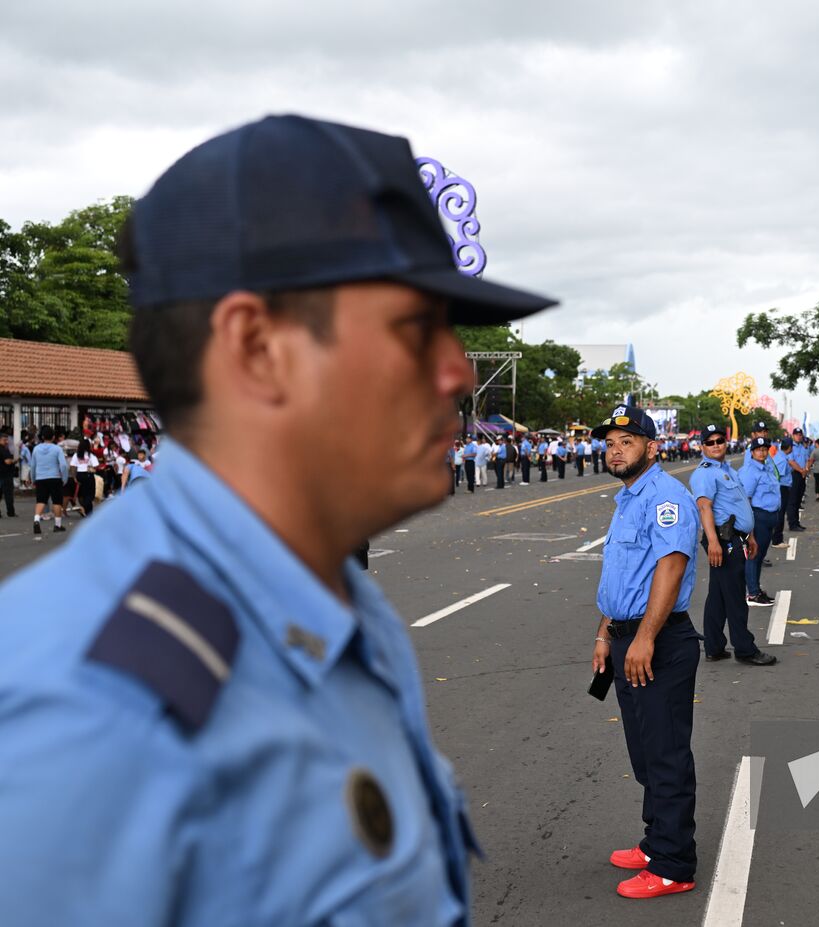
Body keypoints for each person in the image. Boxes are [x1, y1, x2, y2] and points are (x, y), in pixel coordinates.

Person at [0, 115, 557, 922]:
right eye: (415, 328)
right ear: (257, 347)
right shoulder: (87, 720)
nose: (458, 373)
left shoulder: (338, 603)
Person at [590, 404, 703, 899]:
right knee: (643, 751)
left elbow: (671, 568)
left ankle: (673, 866)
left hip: (657, 641)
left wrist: (645, 637)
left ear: (652, 447)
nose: (616, 450)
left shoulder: (665, 497)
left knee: (665, 755)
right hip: (626, 638)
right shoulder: (627, 499)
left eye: (627, 442)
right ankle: (656, 841)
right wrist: (604, 634)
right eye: (610, 443)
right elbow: (620, 580)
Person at [689, 424, 775, 666]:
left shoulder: (727, 469)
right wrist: (714, 542)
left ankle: (714, 646)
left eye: (720, 440)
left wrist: (750, 536)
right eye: (710, 442)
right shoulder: (705, 472)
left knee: (718, 595)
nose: (716, 445)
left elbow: (738, 506)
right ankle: (745, 649)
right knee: (736, 596)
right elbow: (705, 507)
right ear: (702, 446)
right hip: (723, 539)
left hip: (735, 536)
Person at [739, 437, 782, 607]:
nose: (762, 452)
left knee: (760, 554)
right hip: (759, 516)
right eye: (759, 449)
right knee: (753, 555)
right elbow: (745, 498)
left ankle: (755, 588)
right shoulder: (750, 471)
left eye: (765, 449)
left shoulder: (766, 468)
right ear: (752, 452)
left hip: (770, 516)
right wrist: (748, 524)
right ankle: (753, 593)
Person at [29, 426, 69, 535]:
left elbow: (33, 465)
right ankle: (57, 525)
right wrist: (64, 478)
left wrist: (33, 479)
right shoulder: (57, 449)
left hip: (40, 478)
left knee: (41, 501)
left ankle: (36, 520)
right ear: (53, 437)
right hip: (55, 478)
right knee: (57, 501)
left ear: (42, 437)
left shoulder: (36, 449)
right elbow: (64, 465)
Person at [785, 428, 809, 532]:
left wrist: (806, 469)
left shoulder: (803, 447)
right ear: (793, 435)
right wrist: (801, 470)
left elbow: (807, 459)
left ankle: (797, 522)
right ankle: (792, 523)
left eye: (800, 435)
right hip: (794, 474)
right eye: (797, 435)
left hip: (802, 474)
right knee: (793, 500)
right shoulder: (791, 447)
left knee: (799, 499)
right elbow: (791, 461)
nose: (799, 436)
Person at [69, 437, 101, 516]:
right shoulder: (91, 455)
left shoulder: (76, 455)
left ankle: (89, 513)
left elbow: (72, 466)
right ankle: (84, 508)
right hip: (88, 475)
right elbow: (96, 466)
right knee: (90, 495)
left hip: (79, 475)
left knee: (81, 494)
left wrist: (74, 477)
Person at [0, 429, 17, 518]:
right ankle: (10, 512)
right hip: (5, 474)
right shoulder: (3, 450)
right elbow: (8, 461)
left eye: (7, 440)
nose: (6, 442)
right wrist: (14, 460)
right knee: (8, 495)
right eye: (4, 440)